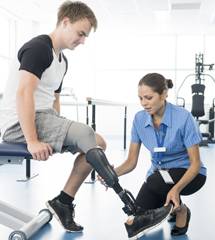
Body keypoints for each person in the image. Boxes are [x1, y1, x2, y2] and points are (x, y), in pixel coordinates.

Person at [0, 1, 172, 238]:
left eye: (85, 36)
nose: (82, 41)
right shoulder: (38, 48)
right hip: (19, 124)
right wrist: (32, 140)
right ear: (65, 22)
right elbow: (23, 93)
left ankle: (63, 201)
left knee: (98, 142)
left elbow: (53, 100)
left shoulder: (62, 60)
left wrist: (58, 128)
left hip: (44, 119)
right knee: (85, 134)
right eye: (81, 34)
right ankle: (133, 211)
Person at [114, 73, 207, 236]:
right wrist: (112, 174)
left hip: (190, 173)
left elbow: (195, 164)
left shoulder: (183, 117)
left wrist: (176, 189)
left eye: (148, 98)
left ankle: (181, 211)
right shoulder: (139, 119)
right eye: (140, 98)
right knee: (138, 216)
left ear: (164, 94)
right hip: (159, 177)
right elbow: (131, 161)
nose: (144, 103)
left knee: (155, 181)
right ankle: (175, 205)